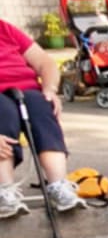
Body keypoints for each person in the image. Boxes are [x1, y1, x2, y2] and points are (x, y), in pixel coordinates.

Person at [0, 17, 87, 218]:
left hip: (27, 90)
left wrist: (49, 89)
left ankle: (58, 185)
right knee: (3, 112)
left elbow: (44, 62)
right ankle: (4, 191)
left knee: (41, 106)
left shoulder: (5, 29)